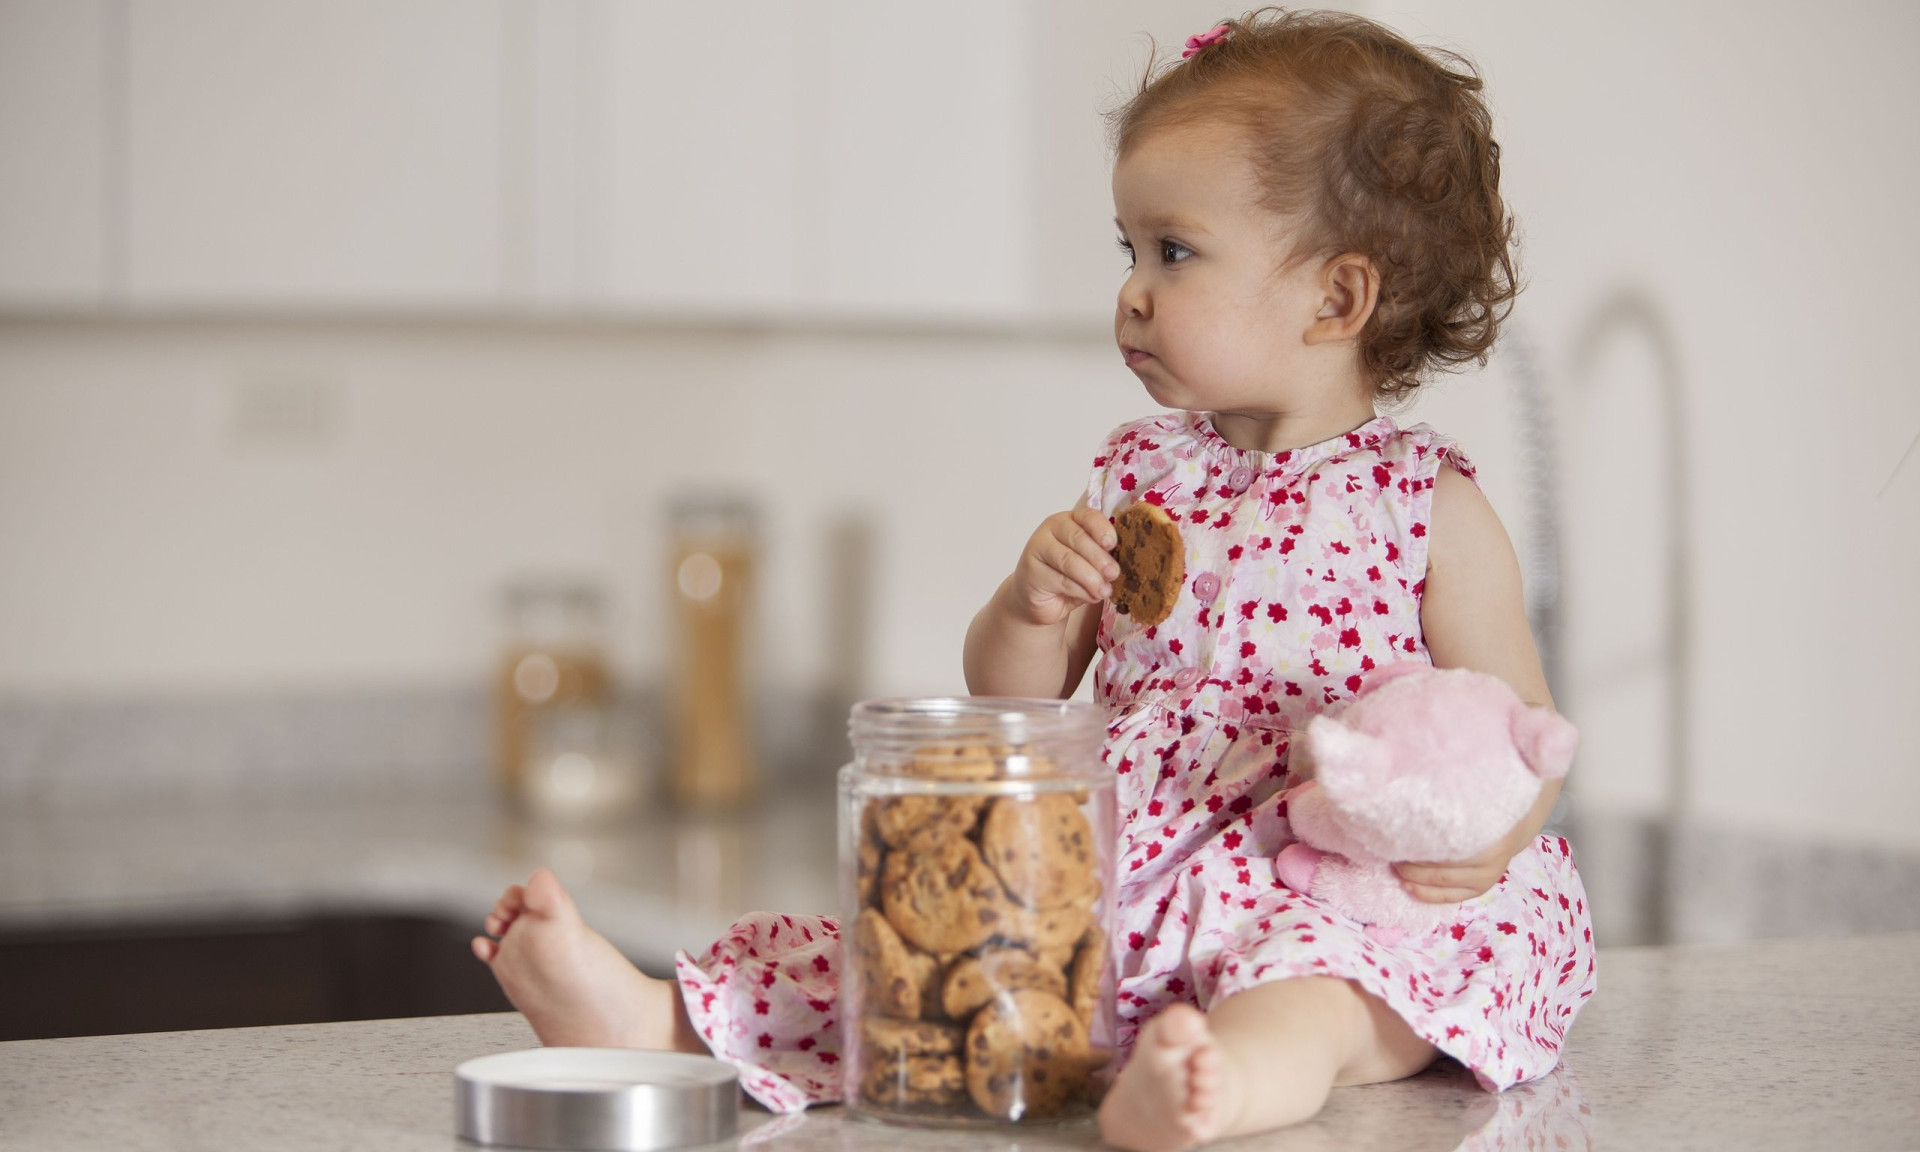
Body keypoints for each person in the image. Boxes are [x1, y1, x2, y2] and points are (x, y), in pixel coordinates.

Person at [472, 10, 1595, 1150]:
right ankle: (659, 1020)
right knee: (935, 963)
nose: (1135, 293)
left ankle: (1220, 1087)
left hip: (1332, 886)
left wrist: (1491, 848)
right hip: (1125, 862)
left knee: (1319, 995)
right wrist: (1031, 603)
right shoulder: (1137, 475)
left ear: (1336, 300)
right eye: (1130, 251)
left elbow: (1524, 731)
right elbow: (1015, 698)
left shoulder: (1428, 506)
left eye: (1176, 251)